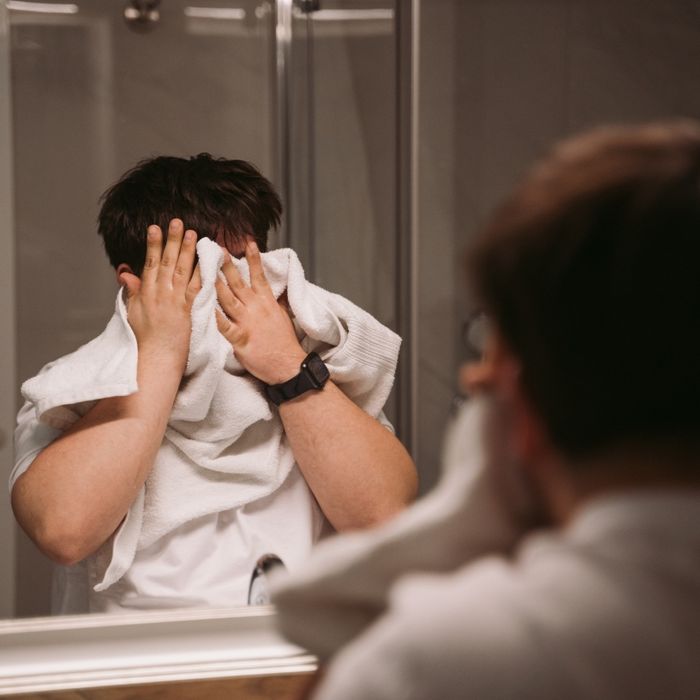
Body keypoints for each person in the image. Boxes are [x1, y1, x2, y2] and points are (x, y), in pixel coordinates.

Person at [274, 121, 700, 699]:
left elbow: (332, 609)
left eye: (497, 337)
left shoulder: (448, 660)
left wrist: (465, 528)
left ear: (516, 398)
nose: (473, 373)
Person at [10, 154, 417, 613]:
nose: (222, 292)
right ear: (132, 284)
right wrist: (161, 357)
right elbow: (63, 529)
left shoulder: (315, 369)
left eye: (241, 267)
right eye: (195, 276)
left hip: (301, 658)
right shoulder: (76, 388)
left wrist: (287, 367)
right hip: (143, 671)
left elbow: (386, 518)